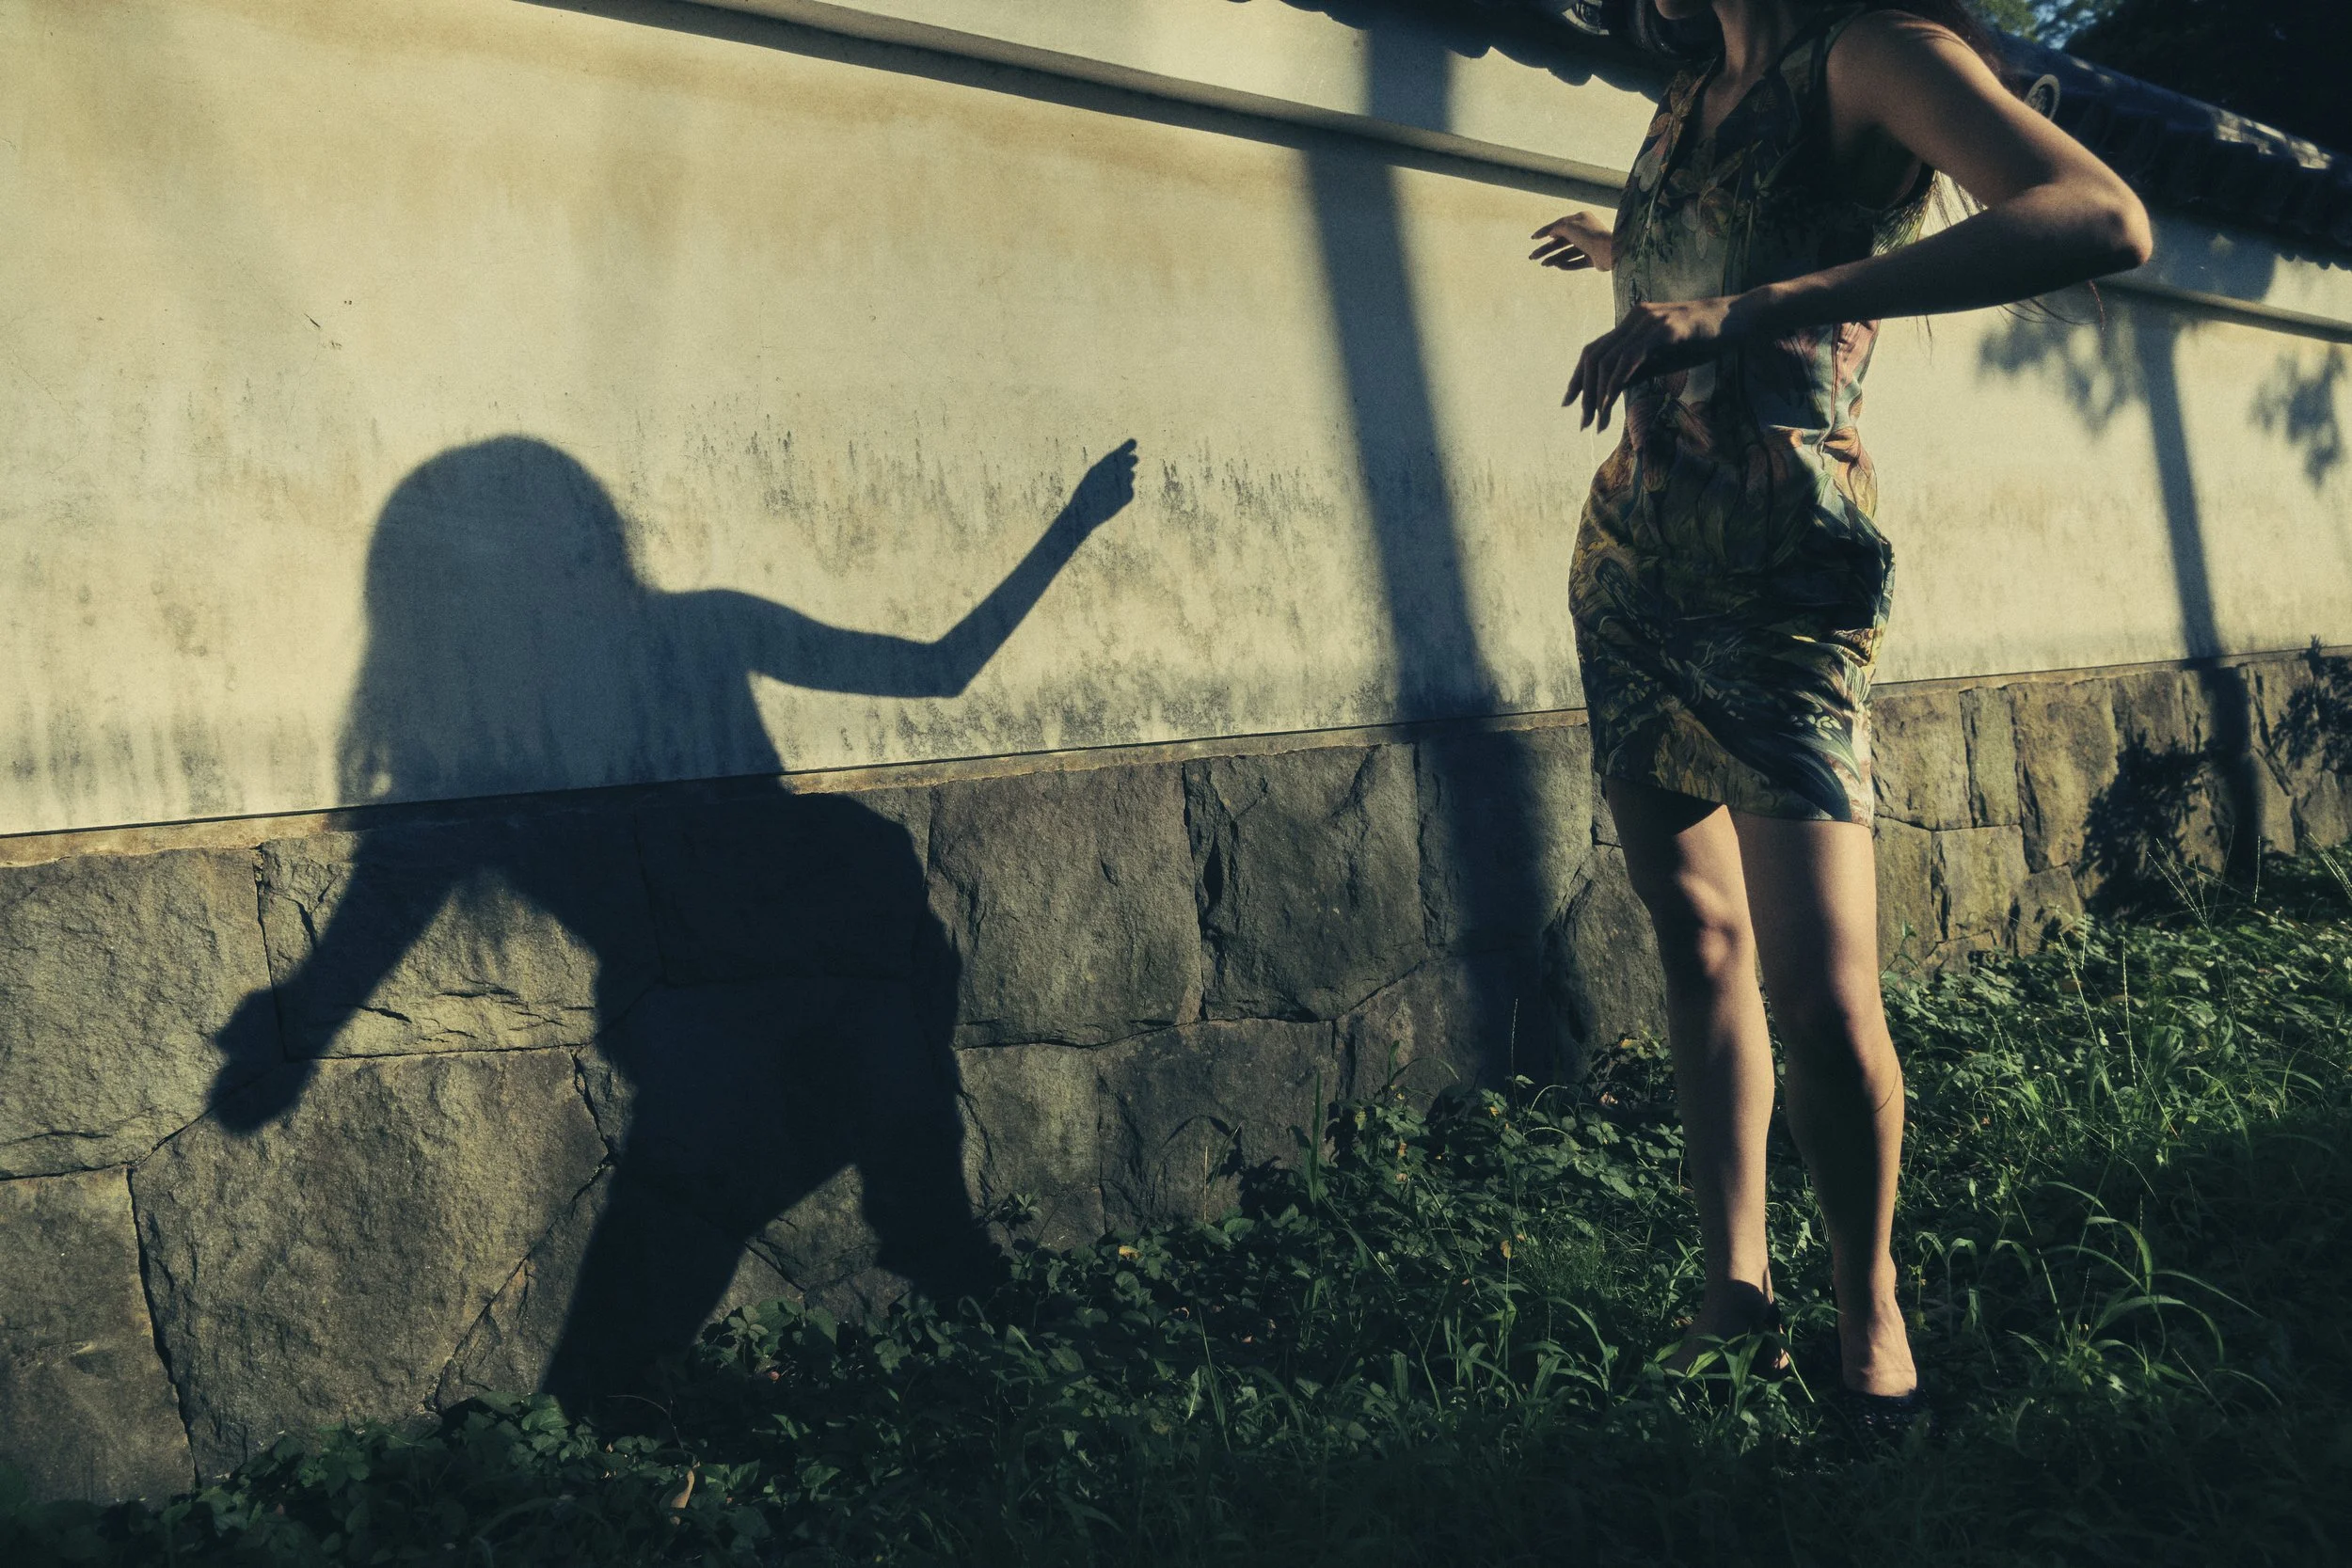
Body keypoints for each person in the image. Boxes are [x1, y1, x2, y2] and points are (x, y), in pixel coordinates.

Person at [1525, 0, 2151, 1421]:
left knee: (1820, 992)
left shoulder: (1872, 57)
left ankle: (1870, 1310)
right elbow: (1735, 252)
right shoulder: (1693, 81)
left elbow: (2101, 217)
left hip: (1785, 579)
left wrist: (1749, 308)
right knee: (1697, 940)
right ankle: (1732, 1291)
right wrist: (1632, 252)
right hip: (1630, 565)